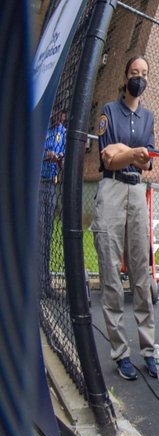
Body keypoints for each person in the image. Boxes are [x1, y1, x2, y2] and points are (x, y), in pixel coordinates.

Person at [93, 57, 157, 381]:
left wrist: (126, 152)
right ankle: (121, 353)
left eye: (144, 75)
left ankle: (149, 348)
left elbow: (148, 163)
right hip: (112, 191)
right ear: (126, 75)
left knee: (141, 273)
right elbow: (108, 158)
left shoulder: (149, 117)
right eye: (135, 73)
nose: (139, 79)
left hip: (137, 193)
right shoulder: (108, 111)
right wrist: (133, 153)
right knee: (111, 274)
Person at [40, 110, 67, 298]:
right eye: (59, 113)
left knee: (47, 235)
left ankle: (44, 283)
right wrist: (46, 155)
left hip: (50, 184)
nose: (60, 118)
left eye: (64, 115)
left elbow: (64, 153)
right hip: (35, 183)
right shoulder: (41, 126)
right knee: (36, 233)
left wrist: (60, 159)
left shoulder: (62, 132)